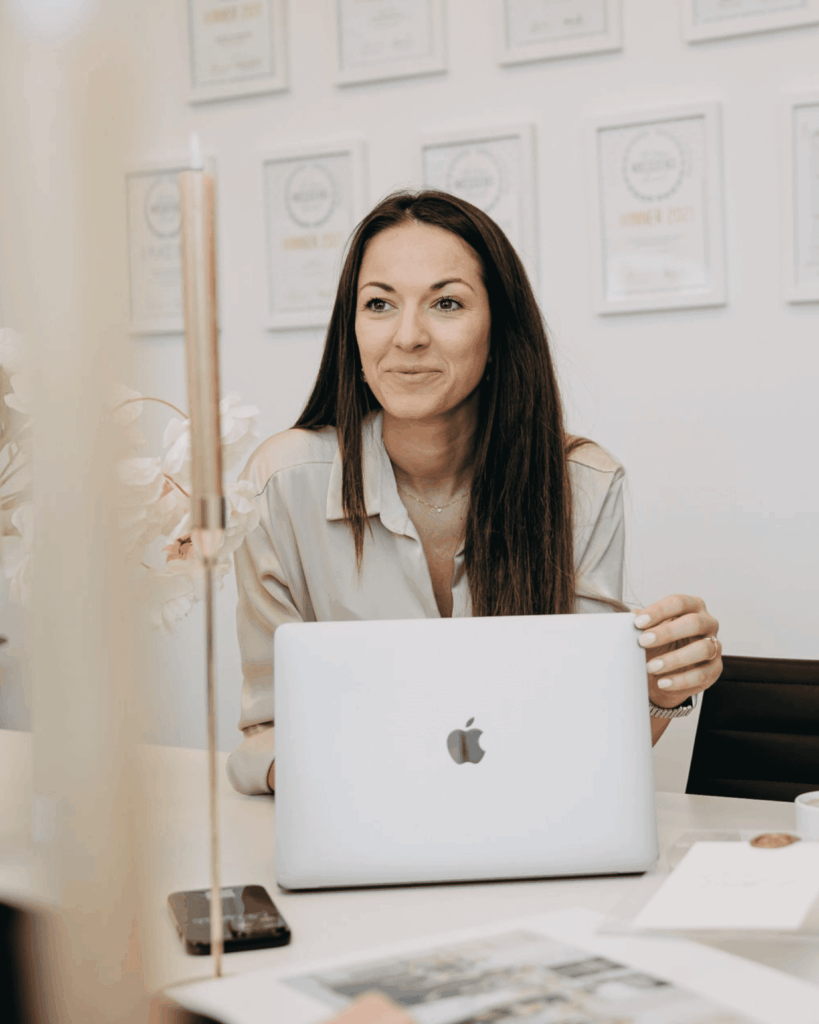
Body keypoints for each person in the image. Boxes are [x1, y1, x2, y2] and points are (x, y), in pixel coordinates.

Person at [228, 190, 722, 796]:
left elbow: (588, 738)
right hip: (358, 827)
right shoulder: (281, 484)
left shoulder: (581, 485)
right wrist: (354, 782)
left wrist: (658, 693)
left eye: (446, 303)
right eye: (379, 303)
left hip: (523, 832)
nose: (407, 337)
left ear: (499, 331)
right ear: (351, 331)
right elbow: (266, 734)